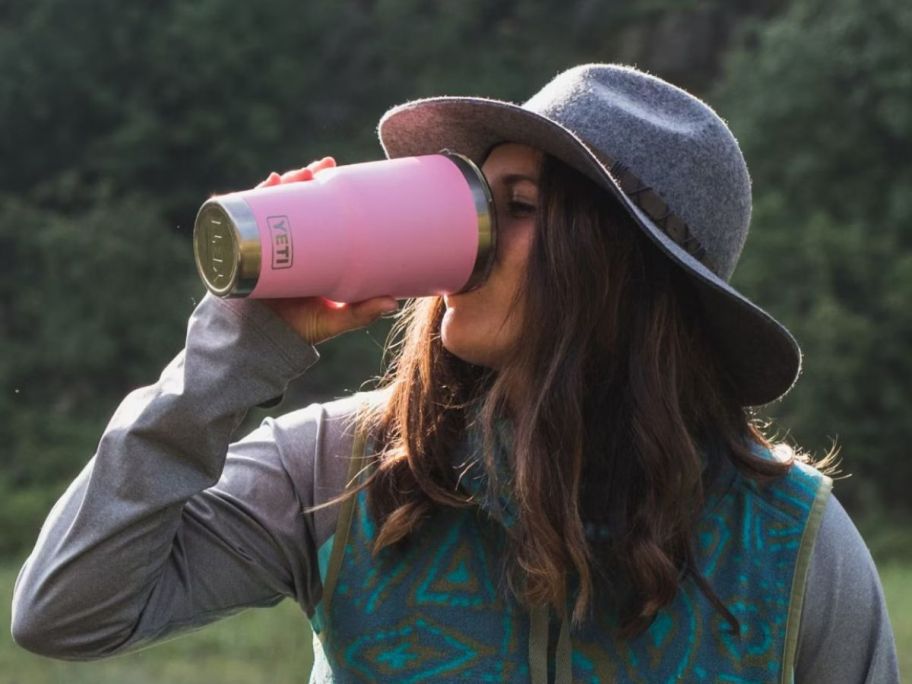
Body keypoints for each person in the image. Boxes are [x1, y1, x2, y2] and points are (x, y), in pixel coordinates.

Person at [10, 64, 899, 683]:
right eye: (475, 194)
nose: (465, 247)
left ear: (623, 273)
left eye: (515, 209)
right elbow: (67, 611)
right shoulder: (341, 470)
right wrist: (237, 350)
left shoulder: (787, 542)